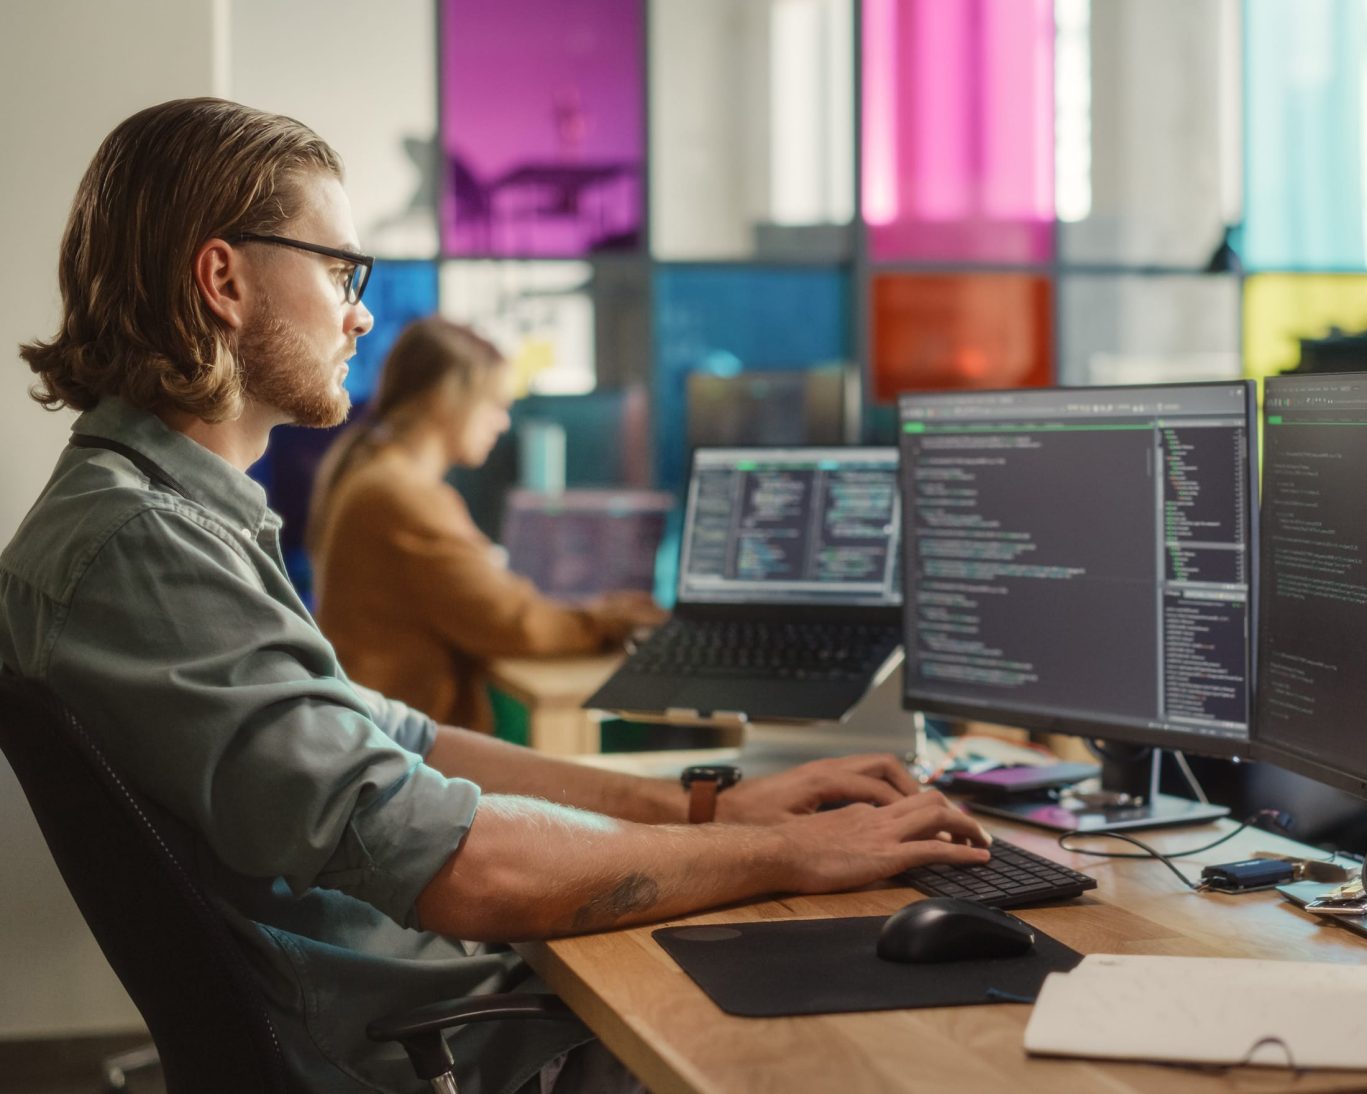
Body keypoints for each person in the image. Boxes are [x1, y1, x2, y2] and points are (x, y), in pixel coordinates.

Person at [0, 97, 992, 1094]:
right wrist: (781, 848)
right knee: (890, 1049)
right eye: (340, 268)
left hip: (435, 1002)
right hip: (440, 1049)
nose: (360, 310)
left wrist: (704, 806)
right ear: (223, 278)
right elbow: (464, 866)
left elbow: (402, 738)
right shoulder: (142, 544)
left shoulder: (170, 516)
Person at [307, 315, 663, 732]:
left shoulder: (367, 466)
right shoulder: (402, 495)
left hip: (379, 728)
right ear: (445, 399)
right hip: (406, 747)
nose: (503, 422)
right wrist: (610, 620)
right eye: (495, 404)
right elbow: (512, 623)